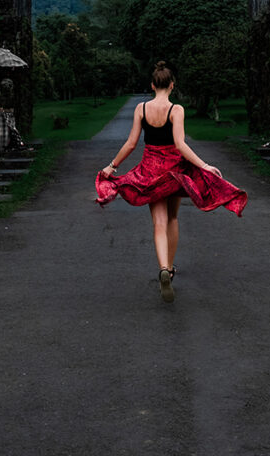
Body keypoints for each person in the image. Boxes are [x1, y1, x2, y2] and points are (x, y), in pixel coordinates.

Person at [95, 60, 247, 303]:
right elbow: (180, 144)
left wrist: (112, 166)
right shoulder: (176, 110)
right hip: (173, 172)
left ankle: (164, 267)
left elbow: (131, 143)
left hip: (149, 171)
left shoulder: (141, 109)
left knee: (159, 223)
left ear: (152, 85)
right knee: (173, 218)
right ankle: (171, 269)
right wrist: (204, 165)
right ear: (172, 85)